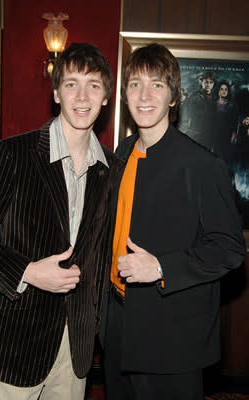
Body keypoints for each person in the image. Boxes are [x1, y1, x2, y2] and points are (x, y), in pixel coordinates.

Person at [0, 42, 121, 400]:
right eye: (71, 84)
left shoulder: (112, 169)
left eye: (94, 85)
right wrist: (27, 272)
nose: (82, 96)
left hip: (76, 347)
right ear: (56, 93)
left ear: (106, 98)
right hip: (14, 344)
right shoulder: (13, 154)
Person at [101, 43, 246, 400]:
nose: (145, 95)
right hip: (117, 325)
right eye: (135, 84)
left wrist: (162, 267)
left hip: (170, 338)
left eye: (157, 85)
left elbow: (229, 249)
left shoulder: (202, 165)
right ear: (124, 95)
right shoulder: (120, 154)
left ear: (173, 98)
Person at [184, 70, 217, 150]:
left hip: (210, 134)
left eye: (211, 82)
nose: (208, 85)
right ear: (201, 82)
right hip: (196, 133)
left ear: (213, 84)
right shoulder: (194, 96)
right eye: (206, 82)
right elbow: (186, 112)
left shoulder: (216, 97)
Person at [213, 80, 238, 162]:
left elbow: (235, 121)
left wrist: (234, 134)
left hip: (227, 134)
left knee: (226, 157)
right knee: (216, 156)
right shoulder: (213, 104)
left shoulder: (232, 104)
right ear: (218, 90)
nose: (224, 91)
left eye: (226, 89)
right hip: (216, 134)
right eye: (222, 89)